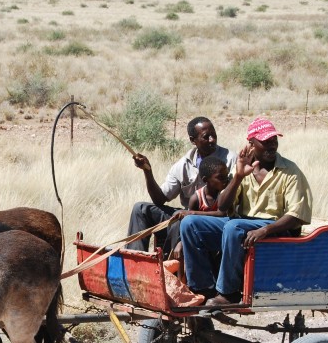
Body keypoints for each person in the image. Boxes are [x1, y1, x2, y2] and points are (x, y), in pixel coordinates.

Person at [178, 117, 313, 306]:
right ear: (251, 144)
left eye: (274, 140)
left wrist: (265, 230)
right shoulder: (243, 168)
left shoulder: (290, 171)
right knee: (190, 224)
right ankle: (202, 289)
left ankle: (229, 293)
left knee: (234, 227)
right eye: (265, 142)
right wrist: (239, 176)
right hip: (242, 224)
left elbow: (296, 215)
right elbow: (224, 207)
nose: (271, 145)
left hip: (274, 227)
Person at [126, 116, 236, 258]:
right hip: (188, 214)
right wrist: (148, 171)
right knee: (140, 209)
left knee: (182, 222)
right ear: (192, 140)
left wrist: (190, 214)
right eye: (206, 137)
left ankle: (172, 268)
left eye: (213, 135)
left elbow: (227, 208)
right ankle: (135, 262)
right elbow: (160, 199)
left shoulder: (230, 159)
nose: (212, 140)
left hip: (215, 219)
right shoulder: (183, 165)